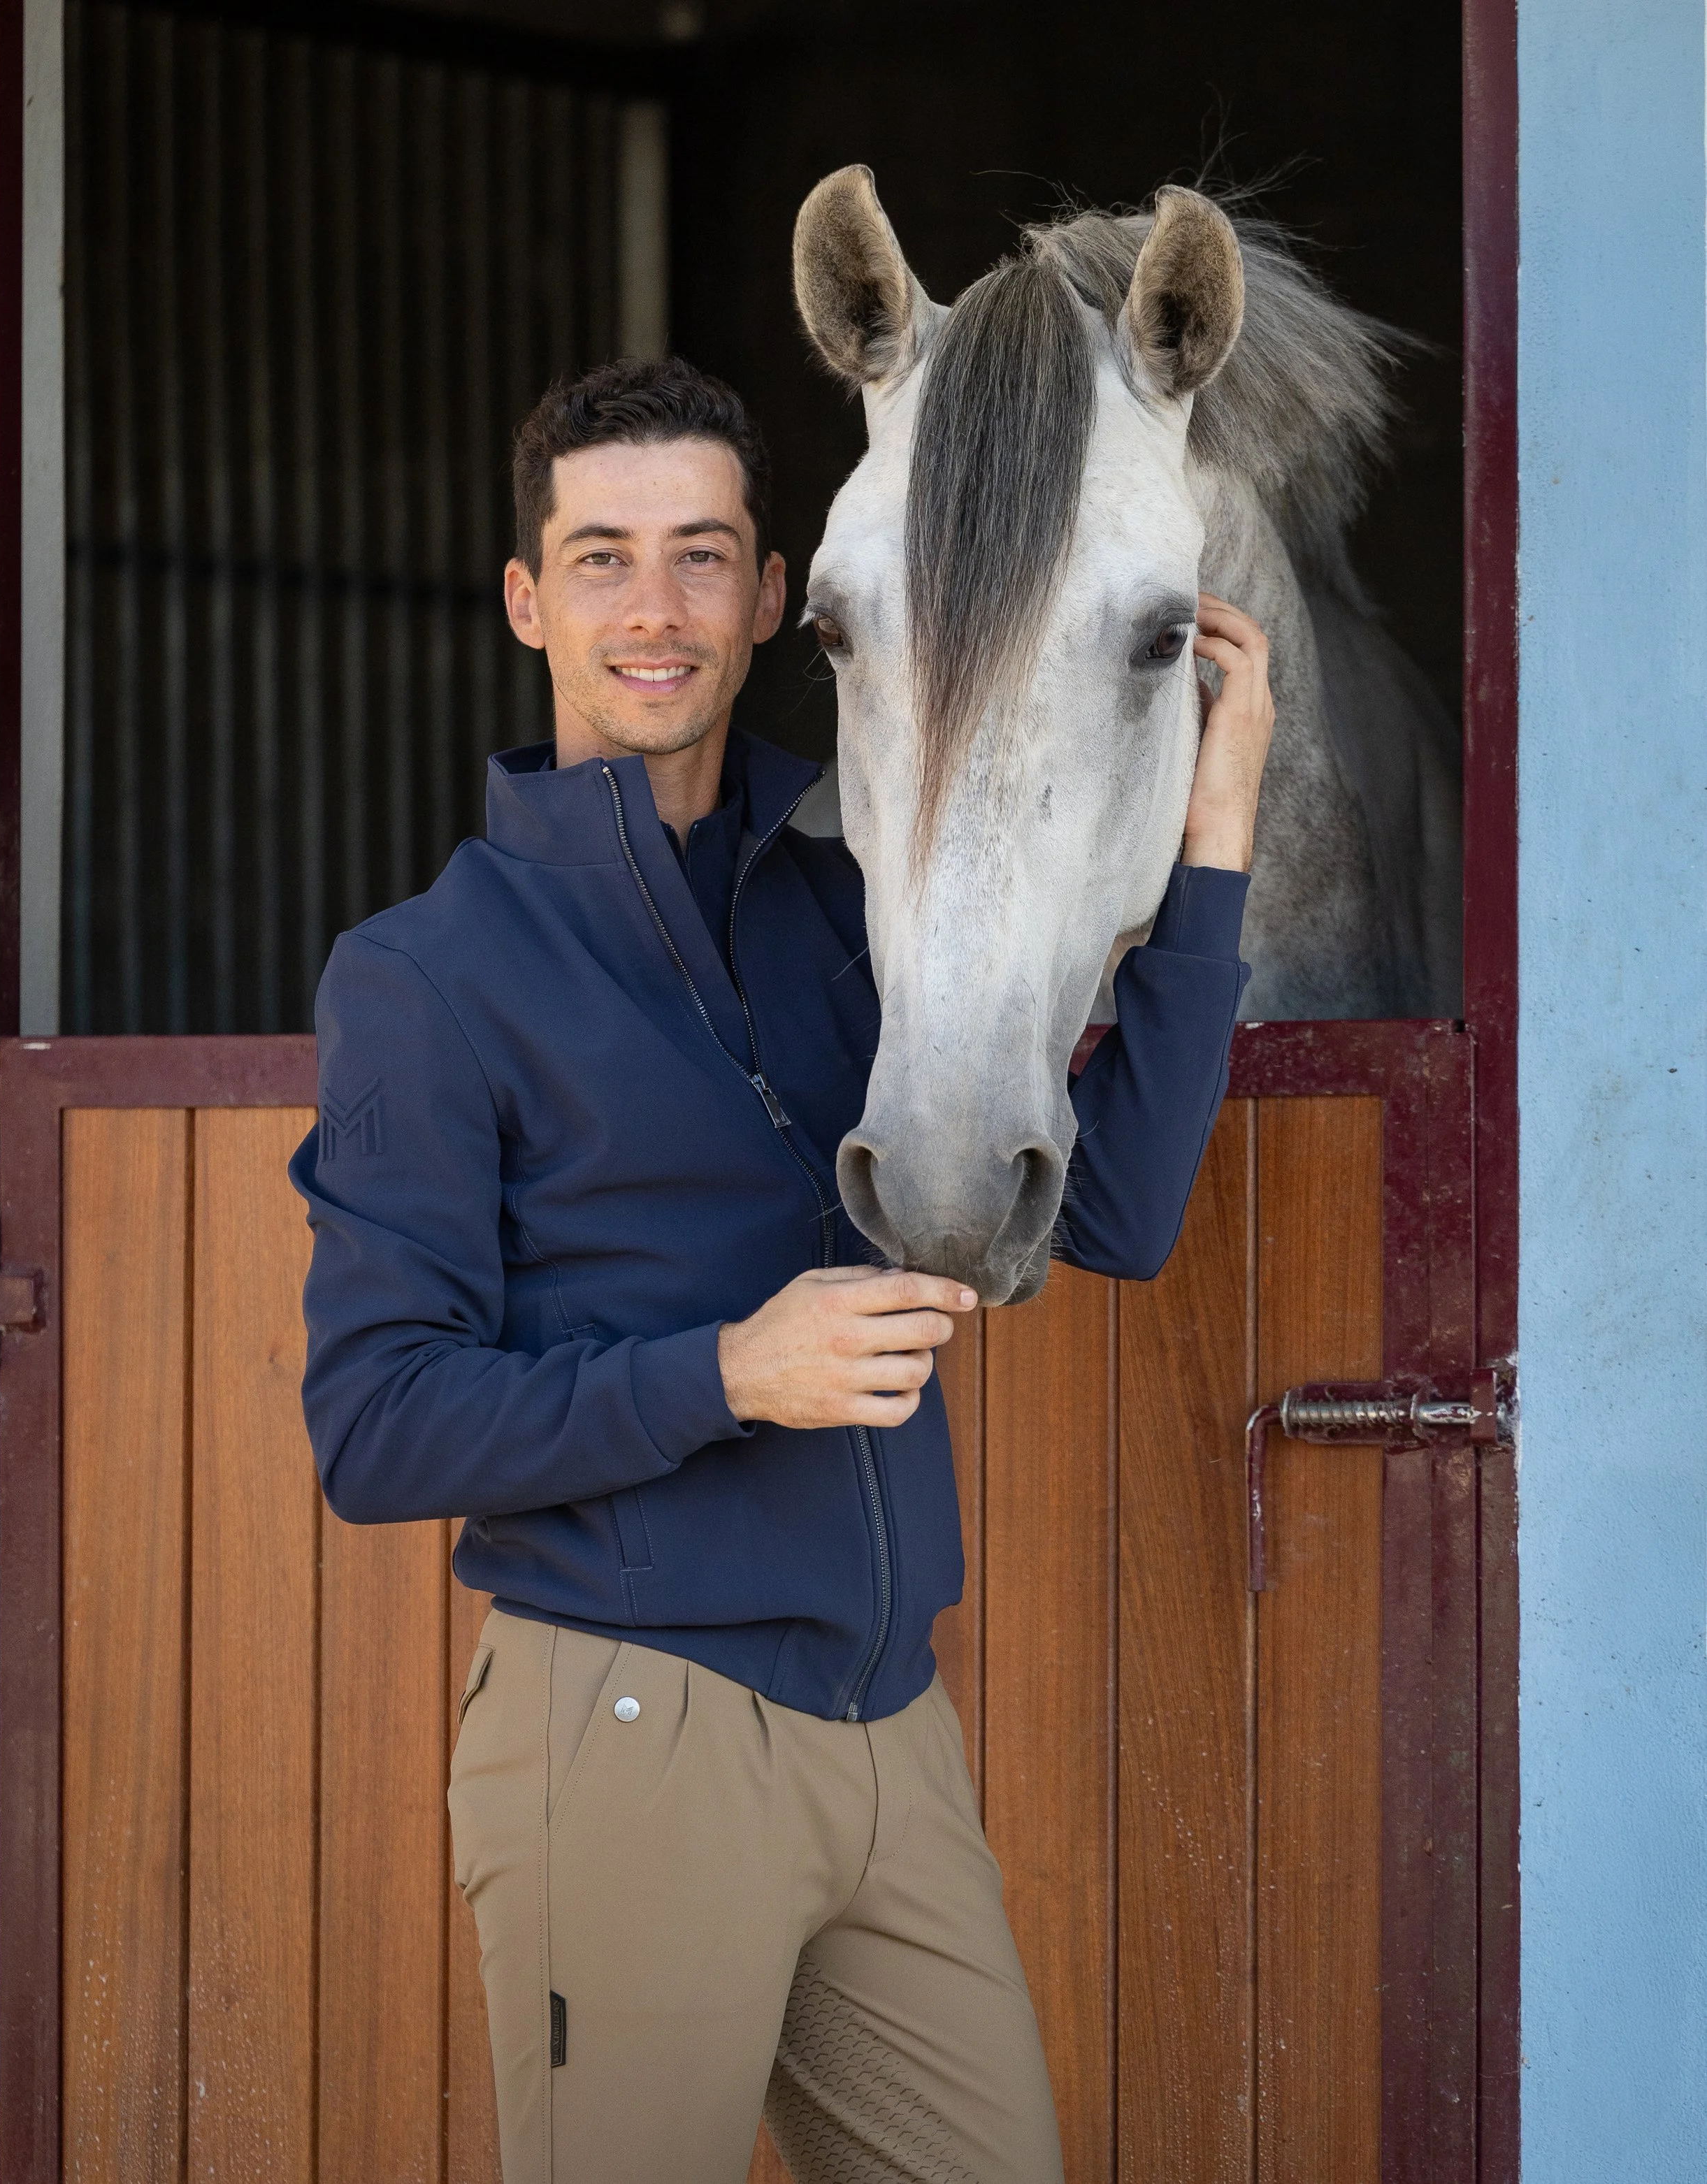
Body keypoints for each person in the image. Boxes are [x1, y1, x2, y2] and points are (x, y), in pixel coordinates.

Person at [291, 355, 1274, 2184]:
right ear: (527, 599)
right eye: (599, 557)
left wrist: (1212, 828)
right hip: (631, 1722)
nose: (650, 609)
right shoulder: (428, 973)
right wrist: (730, 1372)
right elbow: (373, 1425)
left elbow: (1119, 1213)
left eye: (698, 555)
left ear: (768, 598)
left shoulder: (854, 902)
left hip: (888, 1731)